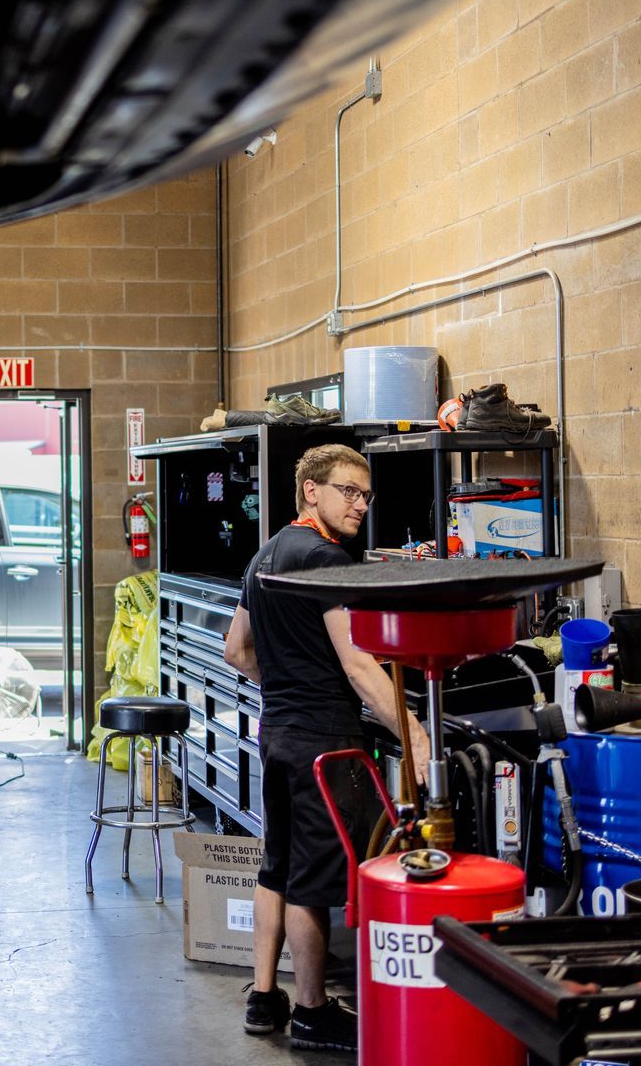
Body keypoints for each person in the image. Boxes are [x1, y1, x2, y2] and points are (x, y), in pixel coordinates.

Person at [223, 443, 431, 1052]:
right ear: (311, 490)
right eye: (348, 491)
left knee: (278, 865)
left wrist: (288, 683)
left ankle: (265, 998)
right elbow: (362, 670)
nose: (360, 504)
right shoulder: (324, 559)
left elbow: (236, 650)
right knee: (313, 882)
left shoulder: (265, 555)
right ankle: (313, 1013)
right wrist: (414, 733)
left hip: (279, 733)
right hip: (324, 743)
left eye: (366, 495)